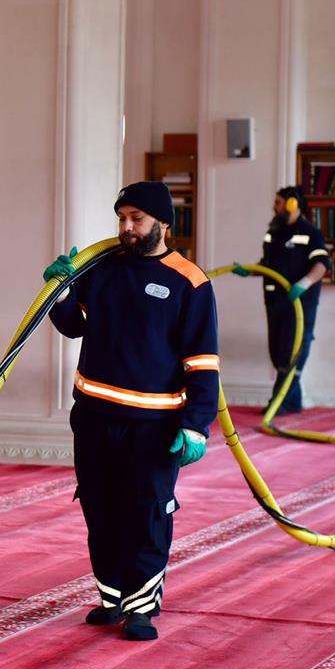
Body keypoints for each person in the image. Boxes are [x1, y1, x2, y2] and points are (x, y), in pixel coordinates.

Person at [45, 181, 219, 641]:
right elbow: (71, 326)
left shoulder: (190, 282)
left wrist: (197, 426)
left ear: (163, 223)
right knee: (100, 508)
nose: (125, 227)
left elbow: (202, 364)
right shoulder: (101, 269)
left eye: (136, 219)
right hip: (95, 416)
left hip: (153, 425)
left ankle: (141, 607)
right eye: (121, 218)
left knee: (147, 511)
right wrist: (60, 290)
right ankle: (111, 596)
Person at [232, 185, 331, 414]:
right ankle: (293, 402)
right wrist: (249, 270)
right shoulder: (274, 231)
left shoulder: (310, 232)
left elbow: (322, 264)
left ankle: (279, 403)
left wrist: (303, 284)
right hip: (274, 299)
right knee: (277, 353)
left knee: (292, 350)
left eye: (278, 202)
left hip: (299, 301)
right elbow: (268, 265)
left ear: (292, 204)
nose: (273, 206)